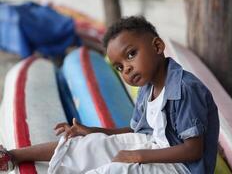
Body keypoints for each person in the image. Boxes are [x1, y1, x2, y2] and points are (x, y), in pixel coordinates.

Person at [0, 16, 219, 174]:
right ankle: (12, 156)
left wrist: (137, 157)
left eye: (131, 55)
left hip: (182, 167)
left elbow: (193, 150)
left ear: (158, 46)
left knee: (114, 170)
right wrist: (94, 131)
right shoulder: (147, 88)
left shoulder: (185, 88)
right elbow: (137, 130)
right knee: (90, 145)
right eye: (119, 67)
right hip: (152, 145)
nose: (127, 69)